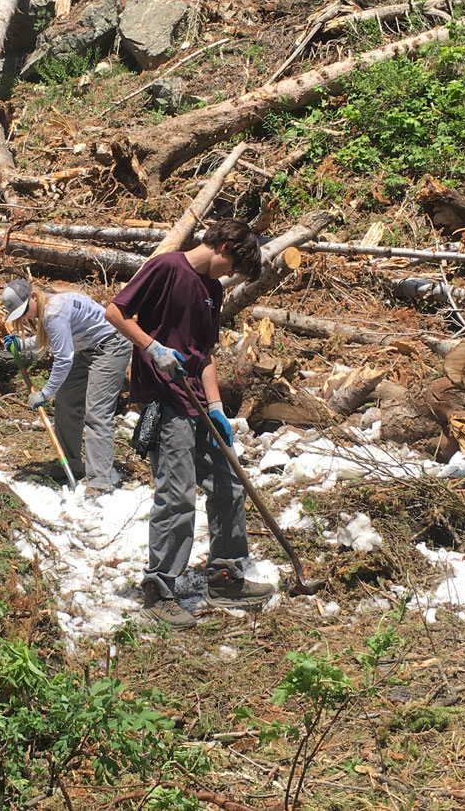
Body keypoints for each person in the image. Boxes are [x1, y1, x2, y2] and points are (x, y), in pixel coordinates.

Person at [104, 219, 274, 628]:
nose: (231, 276)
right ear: (225, 246)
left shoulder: (212, 290)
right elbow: (115, 311)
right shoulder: (167, 267)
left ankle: (225, 575)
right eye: (233, 266)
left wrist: (217, 406)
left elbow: (206, 355)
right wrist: (153, 346)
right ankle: (159, 591)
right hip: (166, 398)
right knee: (177, 494)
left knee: (229, 483)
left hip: (198, 402)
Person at [1, 280, 133, 492]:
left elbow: (63, 358)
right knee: (66, 401)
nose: (25, 316)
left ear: (33, 296)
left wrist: (45, 393)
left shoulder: (54, 311)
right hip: (89, 349)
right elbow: (52, 338)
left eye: (25, 310)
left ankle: (100, 481)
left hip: (112, 345)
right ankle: (70, 464)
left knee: (97, 411)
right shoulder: (48, 307)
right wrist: (22, 344)